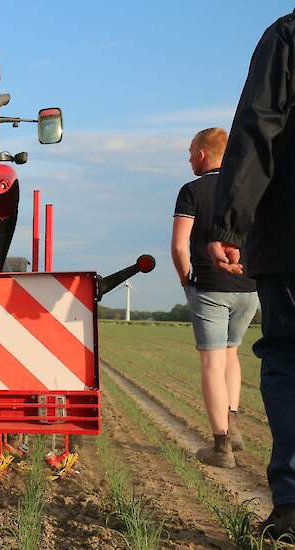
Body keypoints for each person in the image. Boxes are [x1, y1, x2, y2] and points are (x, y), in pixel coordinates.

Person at [209, 10, 295, 538]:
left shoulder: (287, 36)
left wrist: (231, 223)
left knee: (287, 357)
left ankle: (290, 507)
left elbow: (260, 126)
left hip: (289, 238)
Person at [172, 127, 259, 469]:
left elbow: (180, 245)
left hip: (209, 286)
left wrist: (186, 280)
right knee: (231, 354)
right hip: (249, 286)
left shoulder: (192, 190)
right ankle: (233, 426)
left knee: (212, 363)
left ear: (204, 154)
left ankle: (221, 445)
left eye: (191, 151)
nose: (190, 157)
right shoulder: (250, 188)